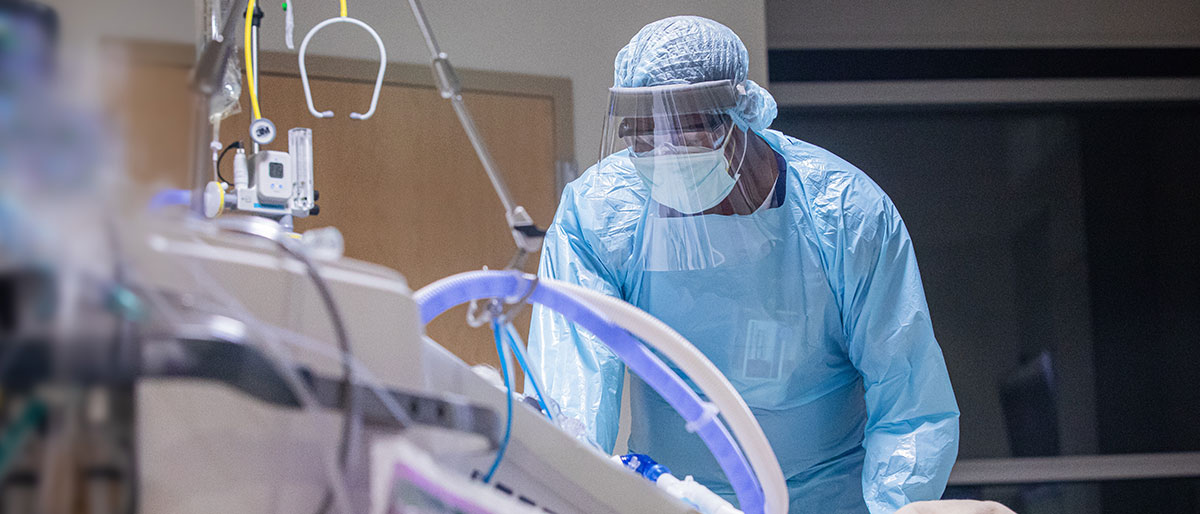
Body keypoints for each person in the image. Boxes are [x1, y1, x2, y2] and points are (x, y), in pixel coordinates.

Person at [527, 16, 959, 514]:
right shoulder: (603, 213)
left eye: (681, 137)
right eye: (642, 140)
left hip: (829, 500)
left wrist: (892, 508)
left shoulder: (845, 214)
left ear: (739, 117)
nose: (660, 157)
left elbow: (908, 402)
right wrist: (566, 489)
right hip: (677, 498)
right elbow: (573, 394)